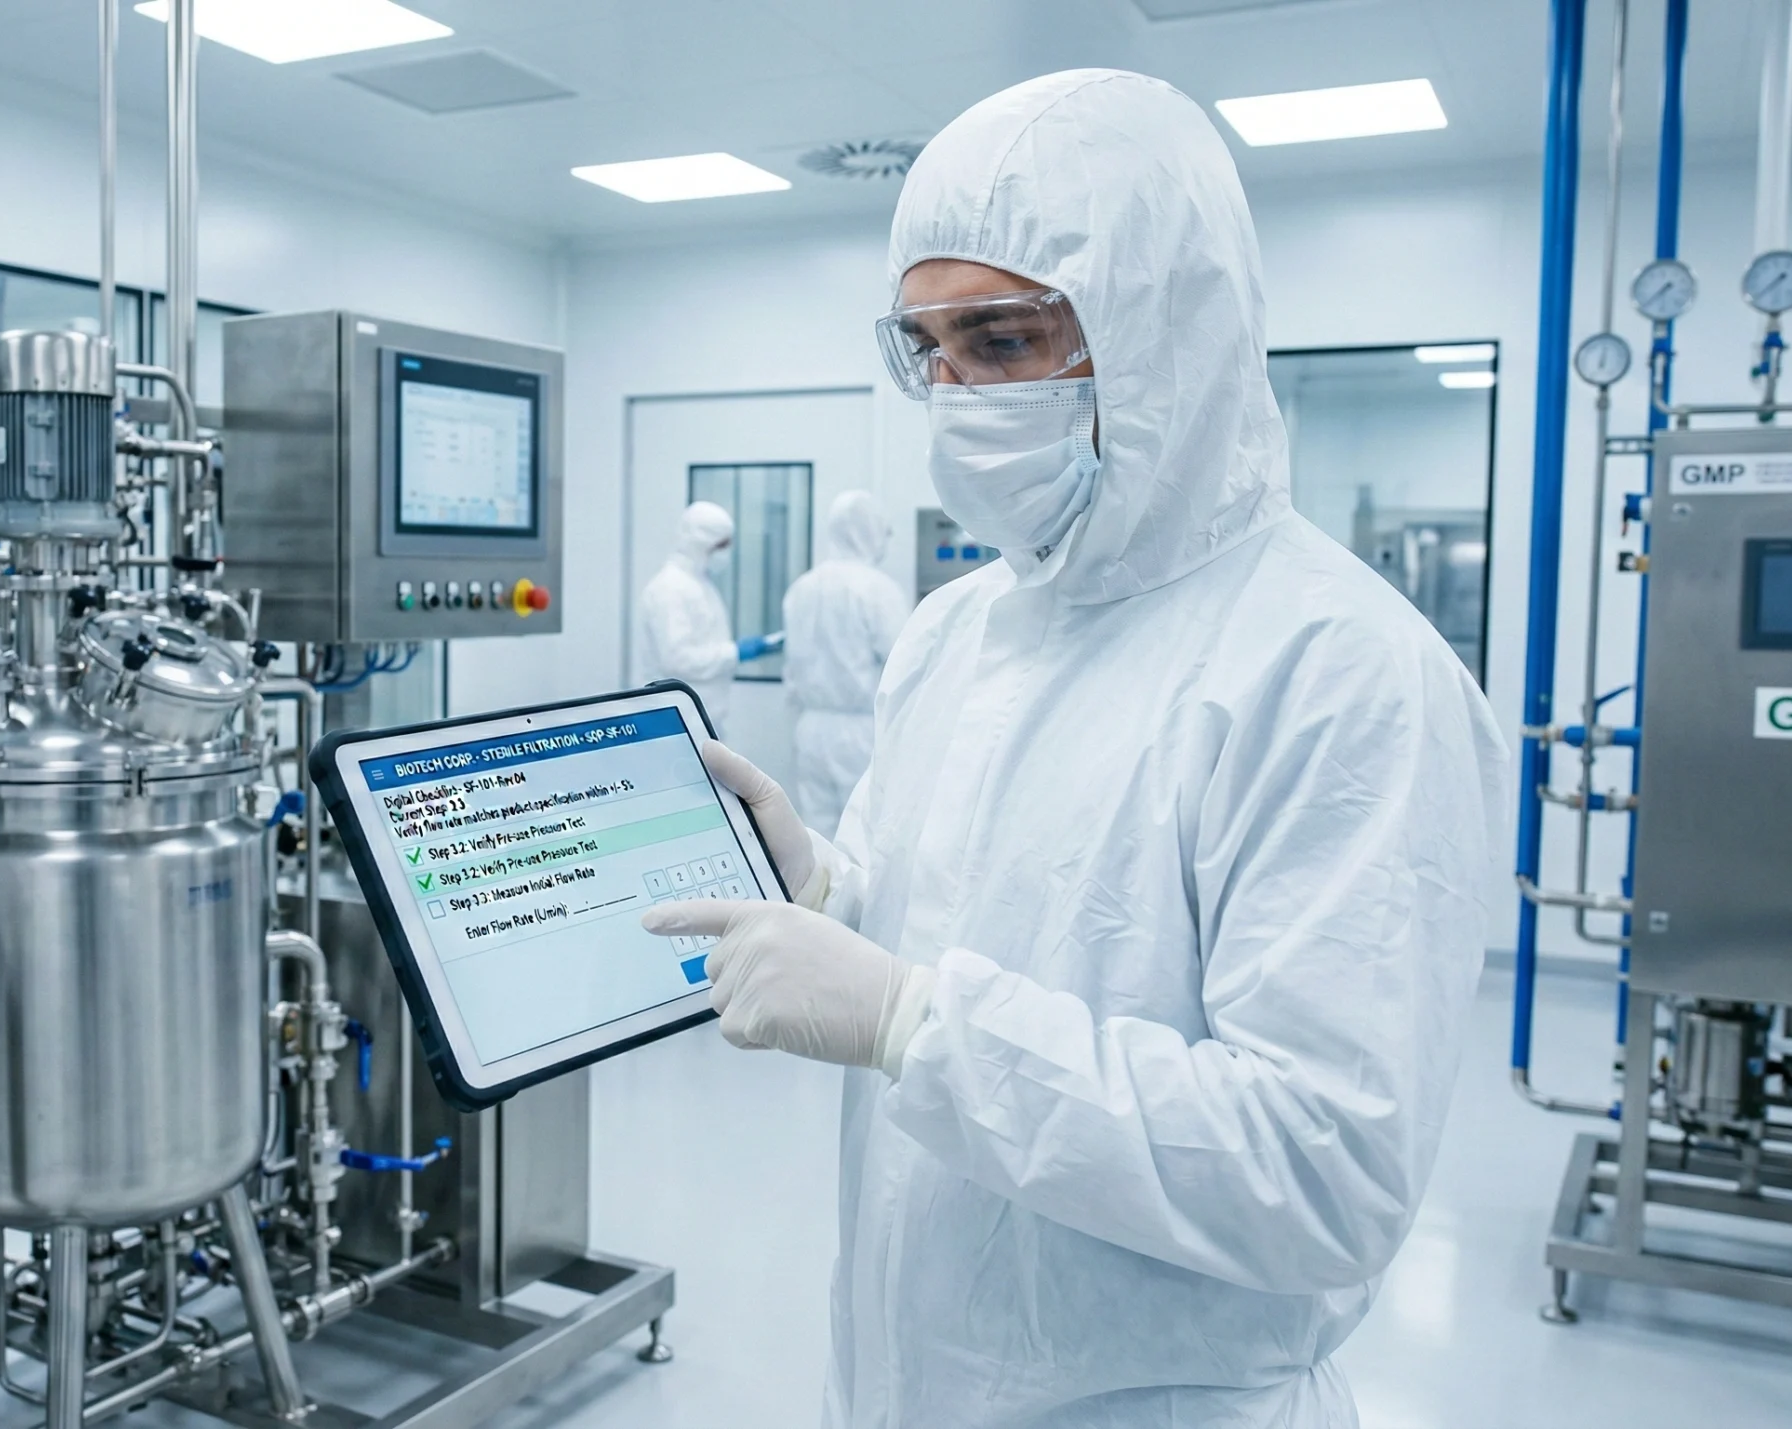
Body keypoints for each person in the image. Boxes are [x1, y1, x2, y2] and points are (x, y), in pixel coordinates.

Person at [642, 71, 1506, 1427]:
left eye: (1000, 340)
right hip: (908, 1371)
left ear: (1163, 329)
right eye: (927, 349)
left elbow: (1320, 1169)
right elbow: (965, 921)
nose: (953, 392)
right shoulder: (959, 630)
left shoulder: (1340, 669)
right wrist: (830, 891)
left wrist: (912, 1024)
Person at [781, 491, 911, 837]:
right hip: (861, 732)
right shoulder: (878, 589)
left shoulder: (801, 588)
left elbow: (791, 667)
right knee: (864, 831)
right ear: (869, 530)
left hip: (809, 727)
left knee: (816, 832)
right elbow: (906, 662)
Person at [634, 500, 762, 728]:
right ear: (702, 543)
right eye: (721, 545)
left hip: (699, 719)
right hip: (676, 721)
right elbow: (678, 660)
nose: (725, 553)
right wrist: (734, 653)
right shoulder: (670, 588)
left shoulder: (699, 584)